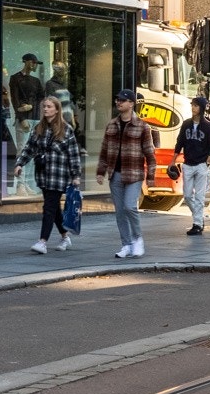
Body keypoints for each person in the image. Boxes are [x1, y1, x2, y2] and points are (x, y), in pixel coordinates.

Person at [13, 96, 83, 254]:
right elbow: (29, 148)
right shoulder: (39, 128)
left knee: (49, 208)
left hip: (58, 176)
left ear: (57, 110)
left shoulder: (66, 130)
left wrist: (76, 175)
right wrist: (19, 164)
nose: (46, 109)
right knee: (54, 208)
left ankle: (42, 242)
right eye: (44, 106)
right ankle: (65, 236)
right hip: (44, 175)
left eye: (49, 107)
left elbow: (74, 155)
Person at [96, 89, 157, 259]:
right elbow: (104, 150)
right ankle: (126, 244)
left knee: (130, 207)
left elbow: (150, 154)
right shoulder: (111, 125)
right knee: (120, 212)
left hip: (134, 174)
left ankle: (138, 240)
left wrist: (151, 176)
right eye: (117, 99)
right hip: (115, 174)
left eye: (122, 100)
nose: (118, 102)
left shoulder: (143, 126)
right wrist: (101, 171)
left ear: (131, 103)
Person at [175, 95, 210, 235]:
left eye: (196, 105)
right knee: (187, 196)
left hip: (201, 164)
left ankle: (197, 224)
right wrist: (173, 160)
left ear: (202, 108)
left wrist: (207, 162)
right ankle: (199, 218)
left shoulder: (209, 126)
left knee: (199, 196)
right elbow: (180, 142)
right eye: (192, 105)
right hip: (188, 163)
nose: (193, 108)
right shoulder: (186, 124)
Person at [9, 54, 45, 129]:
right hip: (23, 117)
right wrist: (22, 119)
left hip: (36, 117)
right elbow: (15, 99)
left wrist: (31, 105)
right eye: (34, 62)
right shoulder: (15, 78)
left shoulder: (36, 81)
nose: (35, 65)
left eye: (36, 63)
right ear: (28, 62)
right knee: (23, 140)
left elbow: (41, 98)